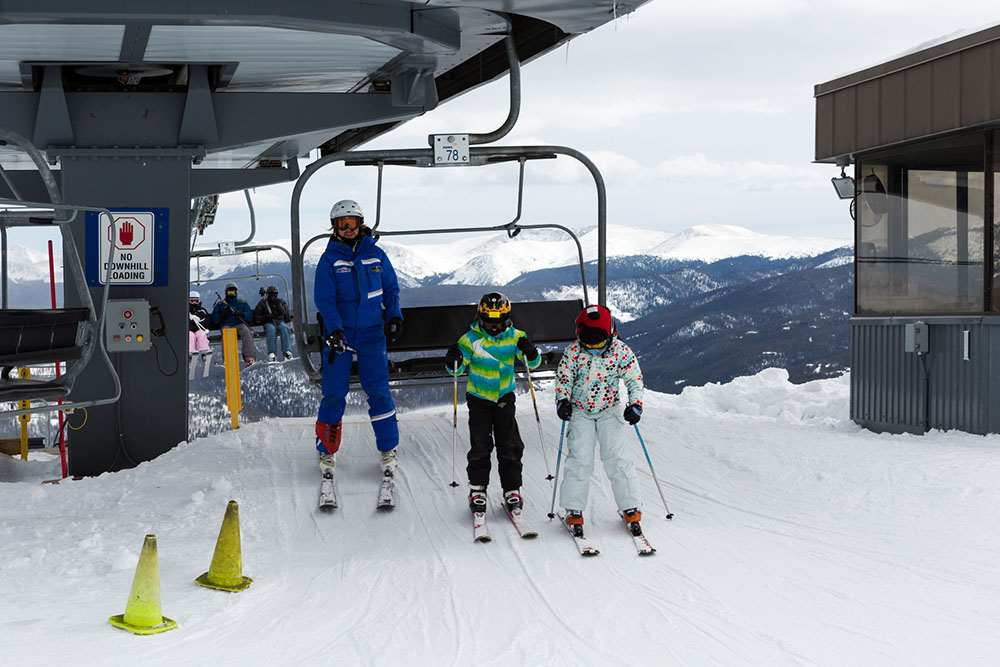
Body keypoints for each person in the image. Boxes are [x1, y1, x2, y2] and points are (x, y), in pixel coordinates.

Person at [314, 199, 404, 474]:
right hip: (340, 335)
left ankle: (388, 447)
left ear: (361, 224)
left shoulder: (376, 255)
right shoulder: (330, 259)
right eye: (343, 224)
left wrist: (394, 315)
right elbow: (325, 299)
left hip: (371, 333)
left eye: (352, 223)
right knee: (333, 393)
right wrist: (334, 328)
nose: (349, 228)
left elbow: (390, 288)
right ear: (335, 227)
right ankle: (327, 450)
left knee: (378, 390)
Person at [554, 304, 645, 538]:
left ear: (610, 333)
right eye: (588, 343)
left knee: (616, 457)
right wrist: (562, 400)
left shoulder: (620, 351)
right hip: (580, 411)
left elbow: (633, 377)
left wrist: (635, 404)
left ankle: (630, 505)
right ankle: (573, 508)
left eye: (598, 343)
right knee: (580, 458)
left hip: (609, 410)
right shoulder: (574, 352)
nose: (593, 347)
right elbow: (564, 377)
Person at [445, 293, 541, 515]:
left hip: (505, 399)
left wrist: (530, 351)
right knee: (480, 445)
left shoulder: (516, 336)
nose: (494, 326)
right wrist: (453, 359)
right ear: (481, 317)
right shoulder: (470, 339)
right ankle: (478, 489)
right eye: (489, 321)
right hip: (479, 399)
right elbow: (456, 370)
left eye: (499, 322)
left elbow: (532, 364)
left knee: (509, 444)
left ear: (506, 318)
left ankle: (512, 489)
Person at [211, 282, 256, 366]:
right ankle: (228, 358)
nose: (231, 294)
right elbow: (214, 319)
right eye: (229, 292)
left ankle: (249, 357)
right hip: (226, 324)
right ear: (226, 292)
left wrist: (242, 314)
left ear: (236, 292)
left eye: (233, 292)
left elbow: (249, 313)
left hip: (239, 323)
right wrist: (223, 314)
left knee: (247, 332)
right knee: (227, 333)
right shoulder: (221, 304)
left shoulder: (242, 302)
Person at [253, 285, 294, 362]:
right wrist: (266, 317)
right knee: (271, 330)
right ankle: (272, 353)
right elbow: (256, 316)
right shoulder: (263, 303)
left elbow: (284, 313)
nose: (273, 297)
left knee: (285, 329)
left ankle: (286, 351)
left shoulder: (280, 302)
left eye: (274, 294)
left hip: (279, 321)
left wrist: (278, 305)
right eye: (271, 294)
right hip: (269, 322)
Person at [188, 290, 211, 359]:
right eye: (192, 301)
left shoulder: (202, 311)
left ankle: (204, 353)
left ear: (199, 301)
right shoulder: (186, 311)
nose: (194, 303)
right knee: (190, 336)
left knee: (201, 334)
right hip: (190, 330)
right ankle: (189, 354)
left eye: (196, 301)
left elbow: (207, 321)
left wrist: (199, 319)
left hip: (199, 329)